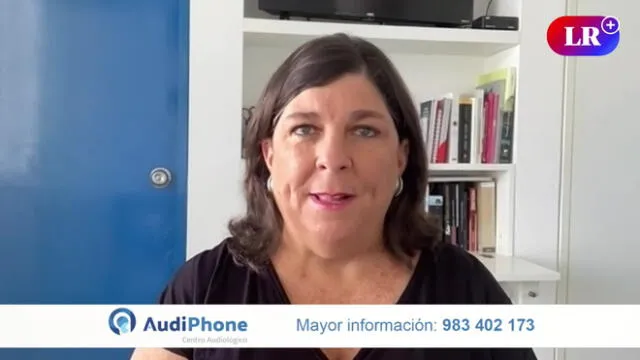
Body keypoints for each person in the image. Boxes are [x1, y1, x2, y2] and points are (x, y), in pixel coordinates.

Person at [131, 33, 537, 360]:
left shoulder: (466, 291)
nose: (333, 159)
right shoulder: (203, 289)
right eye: (305, 129)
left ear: (402, 155)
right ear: (269, 154)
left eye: (364, 131)